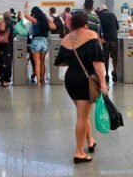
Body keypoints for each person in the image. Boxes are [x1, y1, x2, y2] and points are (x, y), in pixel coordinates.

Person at [54, 11, 107, 164]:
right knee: (82, 117)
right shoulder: (91, 35)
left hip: (70, 80)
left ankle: (90, 140)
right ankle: (79, 152)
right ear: (86, 23)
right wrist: (103, 83)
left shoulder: (66, 38)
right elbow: (98, 62)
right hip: (86, 80)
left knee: (82, 112)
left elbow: (61, 62)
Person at [24, 2, 56, 85]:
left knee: (37, 62)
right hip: (45, 42)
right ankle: (43, 80)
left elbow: (26, 16)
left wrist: (26, 8)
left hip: (36, 41)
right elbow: (54, 26)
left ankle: (38, 81)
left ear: (35, 14)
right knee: (42, 62)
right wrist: (46, 18)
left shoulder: (35, 21)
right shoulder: (46, 22)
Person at [98, 4, 119, 82]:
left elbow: (99, 29)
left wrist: (100, 38)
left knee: (106, 58)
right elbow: (117, 27)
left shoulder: (100, 16)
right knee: (114, 58)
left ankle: (106, 75)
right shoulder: (113, 15)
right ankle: (115, 72)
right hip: (114, 39)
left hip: (105, 40)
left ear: (101, 11)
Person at [0, 12, 13, 87]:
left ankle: (3, 79)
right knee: (7, 63)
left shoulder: (1, 23)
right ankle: (5, 80)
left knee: (1, 62)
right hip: (7, 46)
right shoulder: (11, 25)